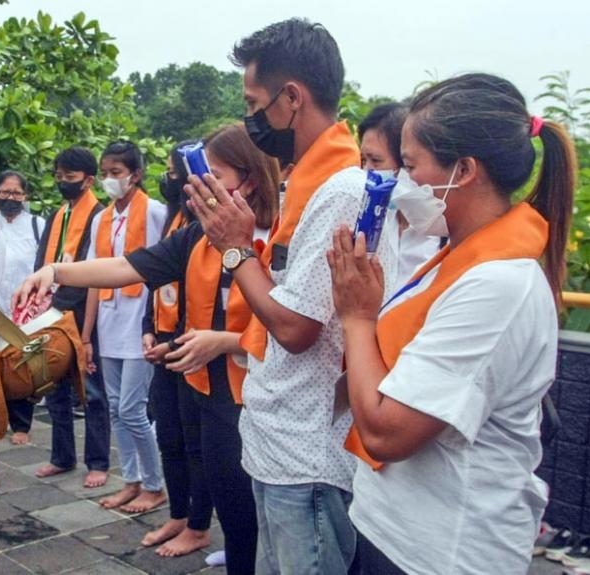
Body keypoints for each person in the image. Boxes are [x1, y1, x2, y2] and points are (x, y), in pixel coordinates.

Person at [328, 73, 575, 575]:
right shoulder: (454, 257)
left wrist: (357, 316)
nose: (401, 182)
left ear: (463, 170)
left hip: (440, 550)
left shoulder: (497, 286)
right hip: (393, 526)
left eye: (411, 165)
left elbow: (387, 434)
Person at [13, 123, 280, 573]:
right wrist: (55, 272)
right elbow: (128, 266)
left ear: (248, 180)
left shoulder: (278, 237)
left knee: (266, 523)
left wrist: (226, 341)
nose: (196, 185)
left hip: (261, 400)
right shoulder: (198, 236)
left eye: (211, 173)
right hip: (210, 393)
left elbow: (296, 329)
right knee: (234, 515)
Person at [184, 19, 397, 574]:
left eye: (255, 103)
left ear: (292, 98)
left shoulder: (341, 191)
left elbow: (297, 329)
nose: (251, 118)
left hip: (308, 458)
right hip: (281, 442)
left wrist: (234, 249)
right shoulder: (305, 182)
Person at [139, 141, 215, 557]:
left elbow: (199, 295)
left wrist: (170, 343)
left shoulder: (208, 227)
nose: (170, 179)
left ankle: (200, 525)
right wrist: (149, 331)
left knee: (195, 443)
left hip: (191, 348)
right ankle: (179, 513)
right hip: (164, 346)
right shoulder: (175, 220)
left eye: (175, 171)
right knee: (168, 436)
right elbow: (154, 278)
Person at [84, 140, 167, 513]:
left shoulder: (156, 213)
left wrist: (157, 326)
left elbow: (165, 272)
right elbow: (92, 276)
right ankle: (131, 480)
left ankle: (155, 484)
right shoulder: (101, 219)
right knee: (116, 409)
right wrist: (85, 335)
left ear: (135, 175)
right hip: (108, 321)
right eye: (105, 173)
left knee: (134, 408)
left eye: (115, 173)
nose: (109, 180)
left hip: (140, 325)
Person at [30, 146, 110, 489]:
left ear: (89, 180)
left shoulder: (99, 216)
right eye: (59, 176)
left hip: (82, 312)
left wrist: (62, 302)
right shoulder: (58, 214)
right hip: (50, 312)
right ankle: (61, 457)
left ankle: (98, 461)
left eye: (70, 177)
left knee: (92, 390)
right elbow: (43, 263)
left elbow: (95, 269)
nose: (63, 182)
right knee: (56, 387)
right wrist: (39, 298)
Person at [0, 169, 45, 445]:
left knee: (22, 367)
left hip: (26, 310)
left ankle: (21, 424)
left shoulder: (37, 225)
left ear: (25, 196)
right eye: (5, 192)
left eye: (16, 193)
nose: (10, 197)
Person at [358, 103, 441, 284]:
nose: (366, 171)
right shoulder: (372, 224)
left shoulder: (441, 235)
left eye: (376, 161)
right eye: (363, 160)